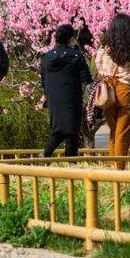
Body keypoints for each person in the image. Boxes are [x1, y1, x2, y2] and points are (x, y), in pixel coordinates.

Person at [40, 24, 93, 158]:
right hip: (71, 97)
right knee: (70, 129)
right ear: (71, 38)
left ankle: (71, 160)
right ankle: (46, 154)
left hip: (53, 98)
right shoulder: (76, 55)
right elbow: (86, 78)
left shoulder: (46, 57)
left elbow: (43, 80)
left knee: (63, 129)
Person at [94, 14, 130, 169]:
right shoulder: (129, 48)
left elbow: (98, 68)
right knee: (123, 131)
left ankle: (113, 165)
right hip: (125, 89)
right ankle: (119, 169)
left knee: (114, 130)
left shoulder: (102, 48)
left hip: (108, 91)